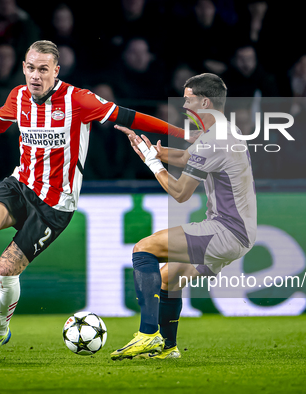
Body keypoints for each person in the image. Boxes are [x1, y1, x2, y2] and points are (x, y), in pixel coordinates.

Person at [0, 40, 186, 361]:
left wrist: (181, 133)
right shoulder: (19, 96)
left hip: (55, 205)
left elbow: (133, 117)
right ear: (23, 67)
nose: (35, 75)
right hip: (20, 184)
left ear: (56, 70)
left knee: (5, 270)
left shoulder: (78, 99)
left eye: (43, 69)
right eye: (30, 68)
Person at [110, 73, 257, 360]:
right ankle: (168, 348)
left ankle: (147, 335)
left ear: (205, 101)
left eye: (188, 99)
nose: (184, 106)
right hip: (238, 231)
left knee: (143, 248)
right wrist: (155, 152)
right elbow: (189, 158)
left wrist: (153, 163)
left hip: (226, 230)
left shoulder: (214, 139)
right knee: (169, 277)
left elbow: (180, 193)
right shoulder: (223, 132)